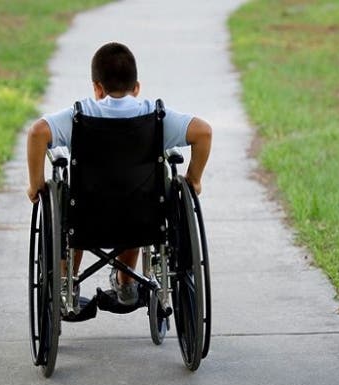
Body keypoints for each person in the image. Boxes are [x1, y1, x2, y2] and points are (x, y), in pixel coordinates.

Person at [26, 42, 211, 307]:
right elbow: (203, 132)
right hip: (143, 218)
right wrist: (194, 179)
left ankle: (69, 281)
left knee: (72, 202)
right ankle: (127, 285)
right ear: (136, 87)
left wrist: (35, 185)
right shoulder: (155, 115)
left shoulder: (80, 115)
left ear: (97, 88)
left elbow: (37, 133)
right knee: (139, 195)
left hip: (87, 217)